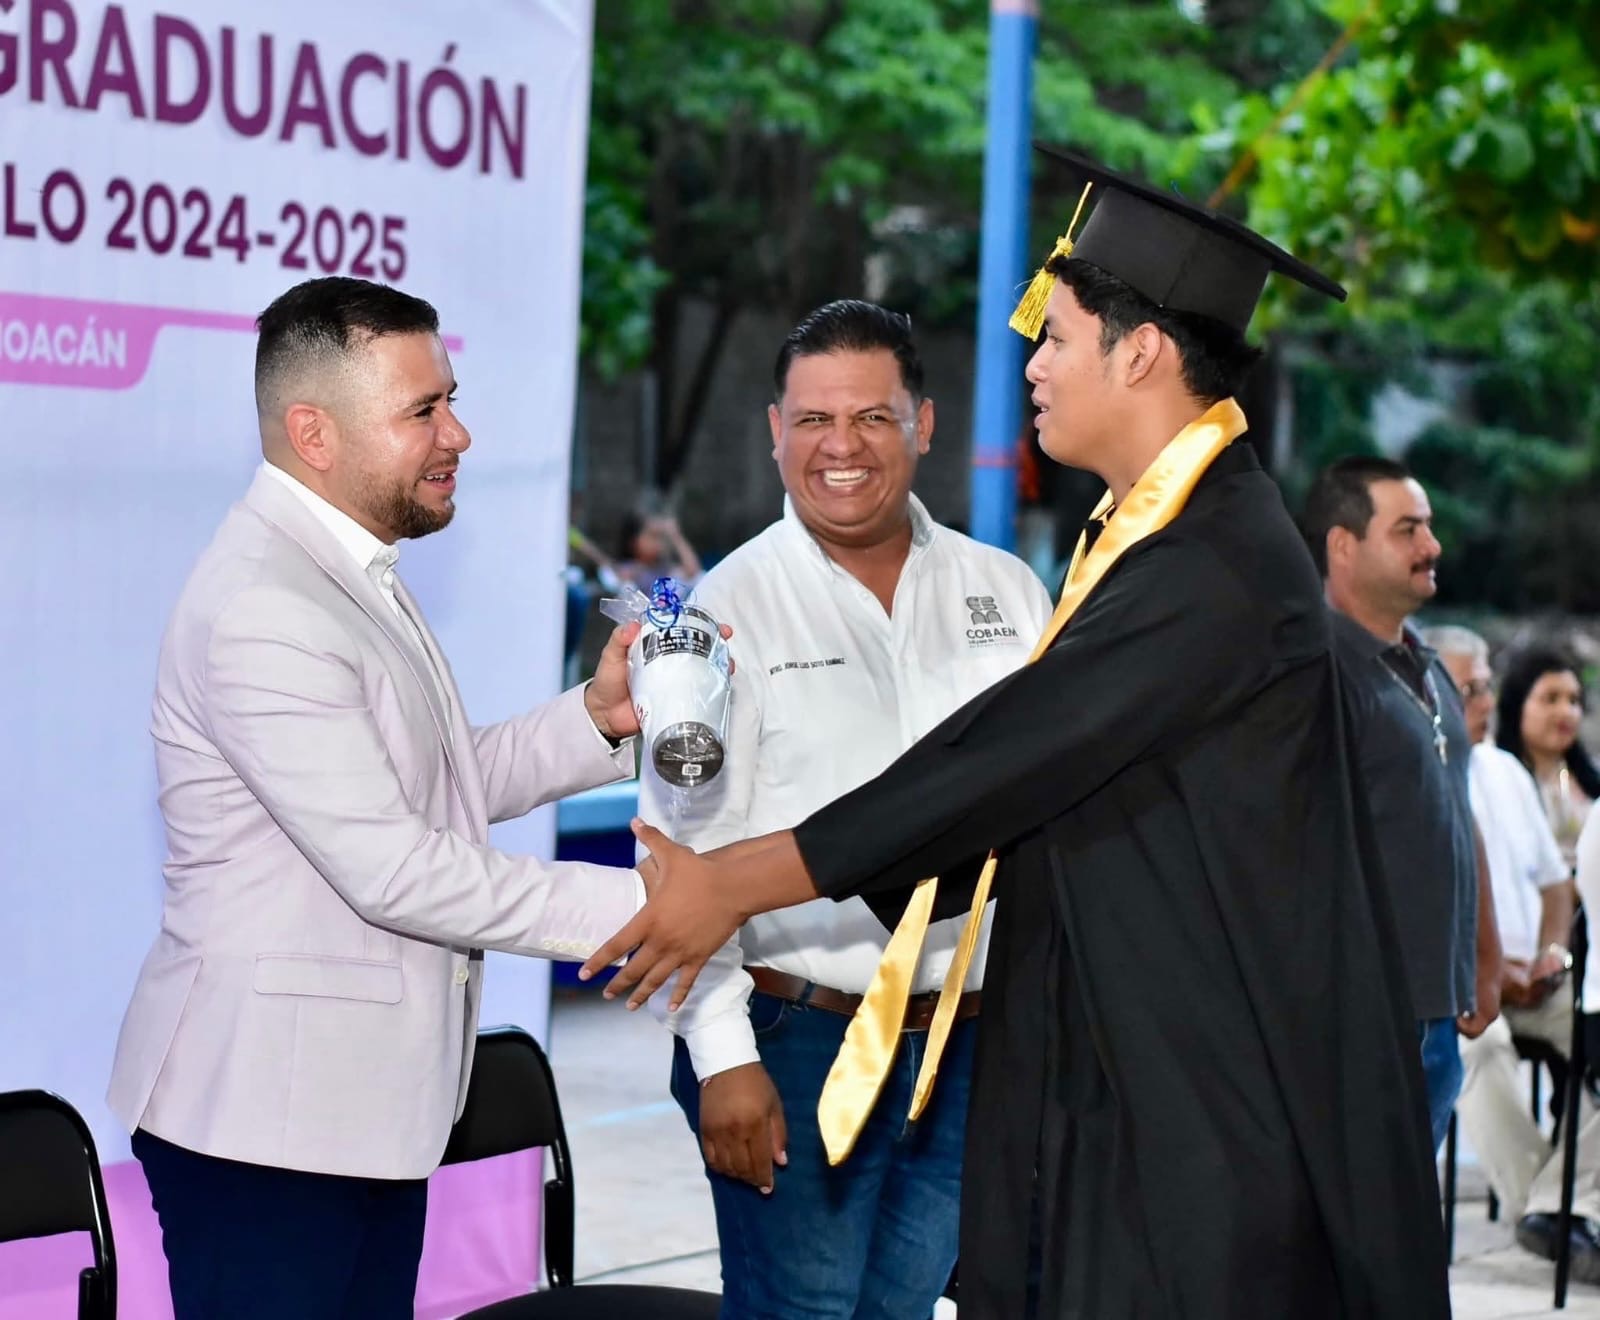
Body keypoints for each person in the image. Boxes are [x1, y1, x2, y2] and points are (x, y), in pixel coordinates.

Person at [584, 147, 1450, 1319]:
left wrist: (733, 882)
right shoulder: (1161, 533)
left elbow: (1002, 762)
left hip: (1205, 1086)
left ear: (1139, 352)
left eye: (1057, 336)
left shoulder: (1212, 563)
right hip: (1111, 1056)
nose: (1032, 364)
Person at [107, 277, 658, 1319]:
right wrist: (655, 908)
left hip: (352, 1116)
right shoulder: (265, 604)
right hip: (266, 1133)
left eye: (451, 400)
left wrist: (597, 718)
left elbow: (427, 789)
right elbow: (396, 869)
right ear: (313, 433)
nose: (459, 434)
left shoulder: (343, 568)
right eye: (423, 410)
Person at [638, 300, 1051, 1317]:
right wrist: (723, 1058)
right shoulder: (720, 612)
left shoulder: (1007, 592)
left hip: (966, 1047)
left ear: (924, 423)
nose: (842, 446)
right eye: (815, 419)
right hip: (799, 1038)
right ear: (775, 430)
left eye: (872, 416)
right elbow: (682, 856)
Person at [1304, 457, 1501, 1150]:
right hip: (1362, 1019)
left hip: (1435, 1010)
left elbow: (1455, 813)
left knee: (1407, 1211)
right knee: (1356, 1213)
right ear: (1343, 545)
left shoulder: (1428, 666)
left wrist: (1485, 959)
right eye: (1408, 530)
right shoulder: (1315, 674)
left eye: (1429, 526)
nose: (1432, 545)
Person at [1426, 625, 1585, 1254]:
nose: (1487, 703)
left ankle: (1559, 1205)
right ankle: (1553, 1213)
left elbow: (1557, 887)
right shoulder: (1414, 772)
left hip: (1539, 977)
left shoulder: (1505, 771)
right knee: (1478, 1049)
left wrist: (1552, 954)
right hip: (1460, 982)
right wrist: (1489, 970)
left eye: (1487, 687)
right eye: (1469, 690)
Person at [1497, 645, 1600, 872]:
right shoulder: (1498, 781)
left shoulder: (1591, 778)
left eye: (1573, 700)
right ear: (1517, 705)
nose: (1566, 712)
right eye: (1551, 699)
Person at [615, 508, 703, 590]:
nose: (658, 543)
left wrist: (675, 535)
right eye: (653, 536)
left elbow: (693, 572)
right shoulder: (628, 569)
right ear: (633, 541)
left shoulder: (662, 569)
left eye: (660, 537)